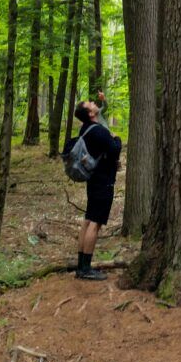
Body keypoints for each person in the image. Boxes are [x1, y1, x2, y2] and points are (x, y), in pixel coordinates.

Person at [71, 98, 121, 280]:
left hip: (93, 180)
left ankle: (81, 266)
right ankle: (86, 269)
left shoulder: (85, 129)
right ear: (90, 114)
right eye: (90, 104)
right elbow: (115, 149)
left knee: (88, 220)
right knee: (95, 223)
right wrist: (117, 138)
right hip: (103, 181)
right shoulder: (99, 131)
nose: (92, 103)